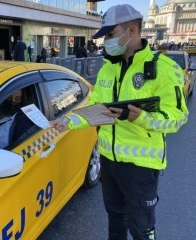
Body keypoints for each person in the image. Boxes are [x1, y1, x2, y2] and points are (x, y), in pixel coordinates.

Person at [51, 4, 188, 240]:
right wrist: (68, 121)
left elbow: (177, 118)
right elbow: (95, 108)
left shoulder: (165, 69)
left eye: (111, 35)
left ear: (132, 31)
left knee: (141, 228)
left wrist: (142, 117)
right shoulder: (108, 69)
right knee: (115, 220)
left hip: (141, 166)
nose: (106, 41)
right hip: (109, 161)